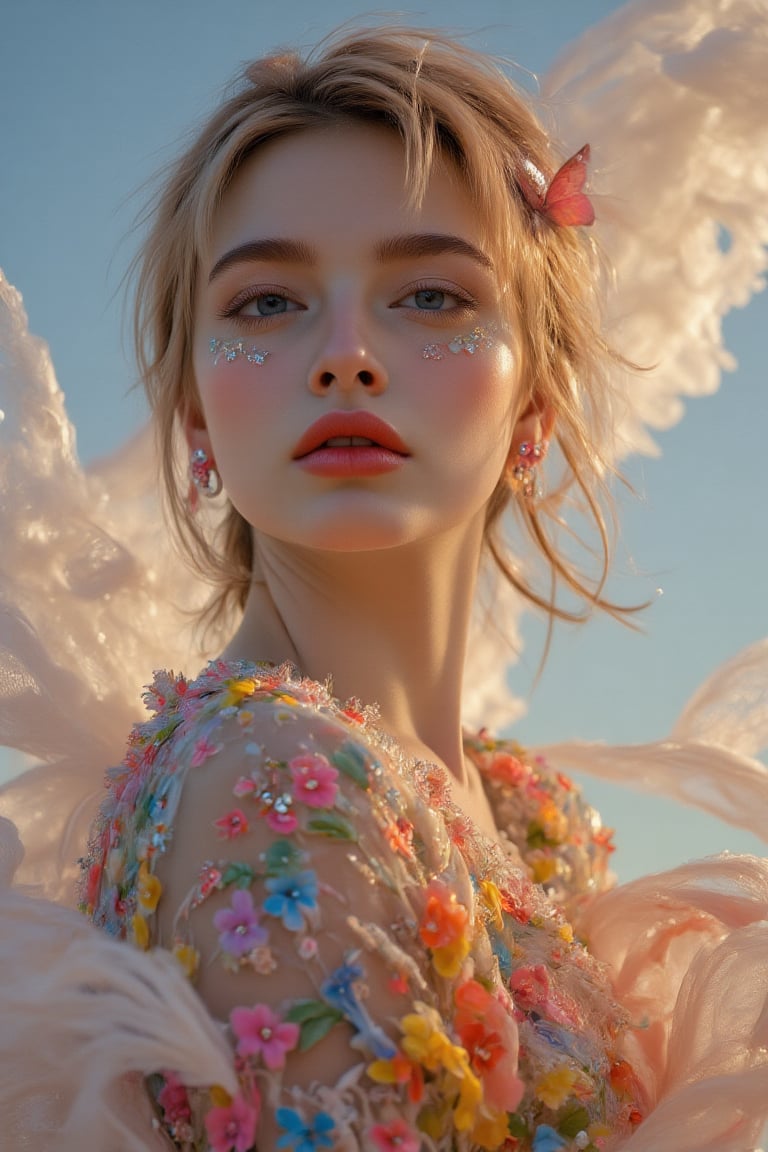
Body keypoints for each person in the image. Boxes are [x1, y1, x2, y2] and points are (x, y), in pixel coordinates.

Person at [1, 20, 767, 1152]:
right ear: (196, 415)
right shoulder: (260, 774)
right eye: (267, 302)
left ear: (537, 407)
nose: (346, 353)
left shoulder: (527, 813)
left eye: (433, 297)